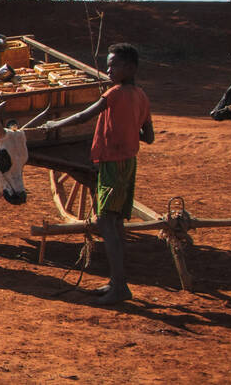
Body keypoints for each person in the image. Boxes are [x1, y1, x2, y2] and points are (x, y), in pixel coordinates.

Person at [43, 43, 153, 305]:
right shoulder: (142, 96)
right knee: (115, 223)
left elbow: (83, 115)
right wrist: (128, 127)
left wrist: (54, 124)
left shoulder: (115, 94)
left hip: (112, 163)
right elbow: (148, 136)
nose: (108, 70)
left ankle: (120, 287)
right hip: (128, 163)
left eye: (113, 65)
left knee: (106, 222)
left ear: (130, 68)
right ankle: (116, 282)